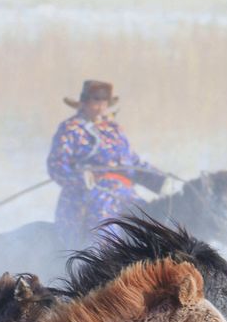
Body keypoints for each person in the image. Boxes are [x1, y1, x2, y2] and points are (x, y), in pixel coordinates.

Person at [47, 80, 167, 247]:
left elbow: (132, 163)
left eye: (104, 102)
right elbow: (56, 166)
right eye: (96, 101)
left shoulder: (114, 129)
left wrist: (161, 181)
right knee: (104, 221)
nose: (101, 107)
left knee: (149, 216)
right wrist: (81, 177)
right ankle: (101, 259)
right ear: (84, 102)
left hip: (124, 193)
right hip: (88, 195)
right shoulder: (70, 129)